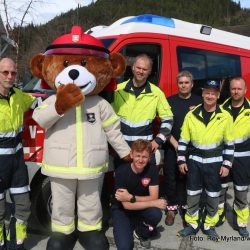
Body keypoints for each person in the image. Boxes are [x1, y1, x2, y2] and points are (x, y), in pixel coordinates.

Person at [176, 80, 235, 241]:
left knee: (213, 195)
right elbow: (183, 140)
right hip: (194, 162)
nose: (209, 96)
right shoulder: (191, 114)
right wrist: (181, 160)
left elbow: (230, 144)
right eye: (207, 92)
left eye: (213, 93)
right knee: (192, 195)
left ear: (217, 96)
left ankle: (209, 225)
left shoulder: (225, 116)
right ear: (202, 94)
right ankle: (192, 224)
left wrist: (227, 164)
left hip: (215, 163)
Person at [0, 58, 36, 250]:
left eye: (13, 73)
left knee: (23, 206)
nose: (9, 76)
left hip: (17, 162)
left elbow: (38, 101)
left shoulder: (19, 95)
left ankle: (16, 244)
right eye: (5, 72)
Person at [112, 54, 173, 165]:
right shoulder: (118, 90)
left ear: (149, 71)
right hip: (122, 149)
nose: (141, 71)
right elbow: (107, 119)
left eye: (145, 69)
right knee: (122, 182)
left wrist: (158, 141)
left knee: (146, 182)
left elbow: (168, 120)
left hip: (145, 150)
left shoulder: (156, 93)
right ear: (133, 67)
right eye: (139, 68)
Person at [111, 139, 167, 250]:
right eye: (138, 156)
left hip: (140, 207)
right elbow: (127, 205)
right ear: (131, 155)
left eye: (144, 157)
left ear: (150, 157)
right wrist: (152, 202)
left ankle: (141, 232)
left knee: (156, 214)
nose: (140, 160)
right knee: (125, 247)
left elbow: (154, 197)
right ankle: (124, 225)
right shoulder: (121, 172)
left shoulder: (152, 170)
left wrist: (130, 197)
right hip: (122, 210)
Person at [163, 71, 202, 226]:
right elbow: (165, 128)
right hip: (173, 146)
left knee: (189, 179)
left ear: (192, 84)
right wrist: (176, 144)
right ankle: (171, 209)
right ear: (177, 84)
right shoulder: (168, 101)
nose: (184, 85)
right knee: (170, 177)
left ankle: (187, 206)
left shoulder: (199, 101)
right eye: (181, 83)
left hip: (192, 148)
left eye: (187, 82)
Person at [220, 77, 250, 237]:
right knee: (220, 188)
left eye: (239, 89)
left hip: (243, 158)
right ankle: (217, 217)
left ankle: (241, 223)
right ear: (230, 90)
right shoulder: (222, 109)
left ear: (245, 90)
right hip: (224, 156)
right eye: (233, 89)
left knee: (241, 191)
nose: (236, 91)